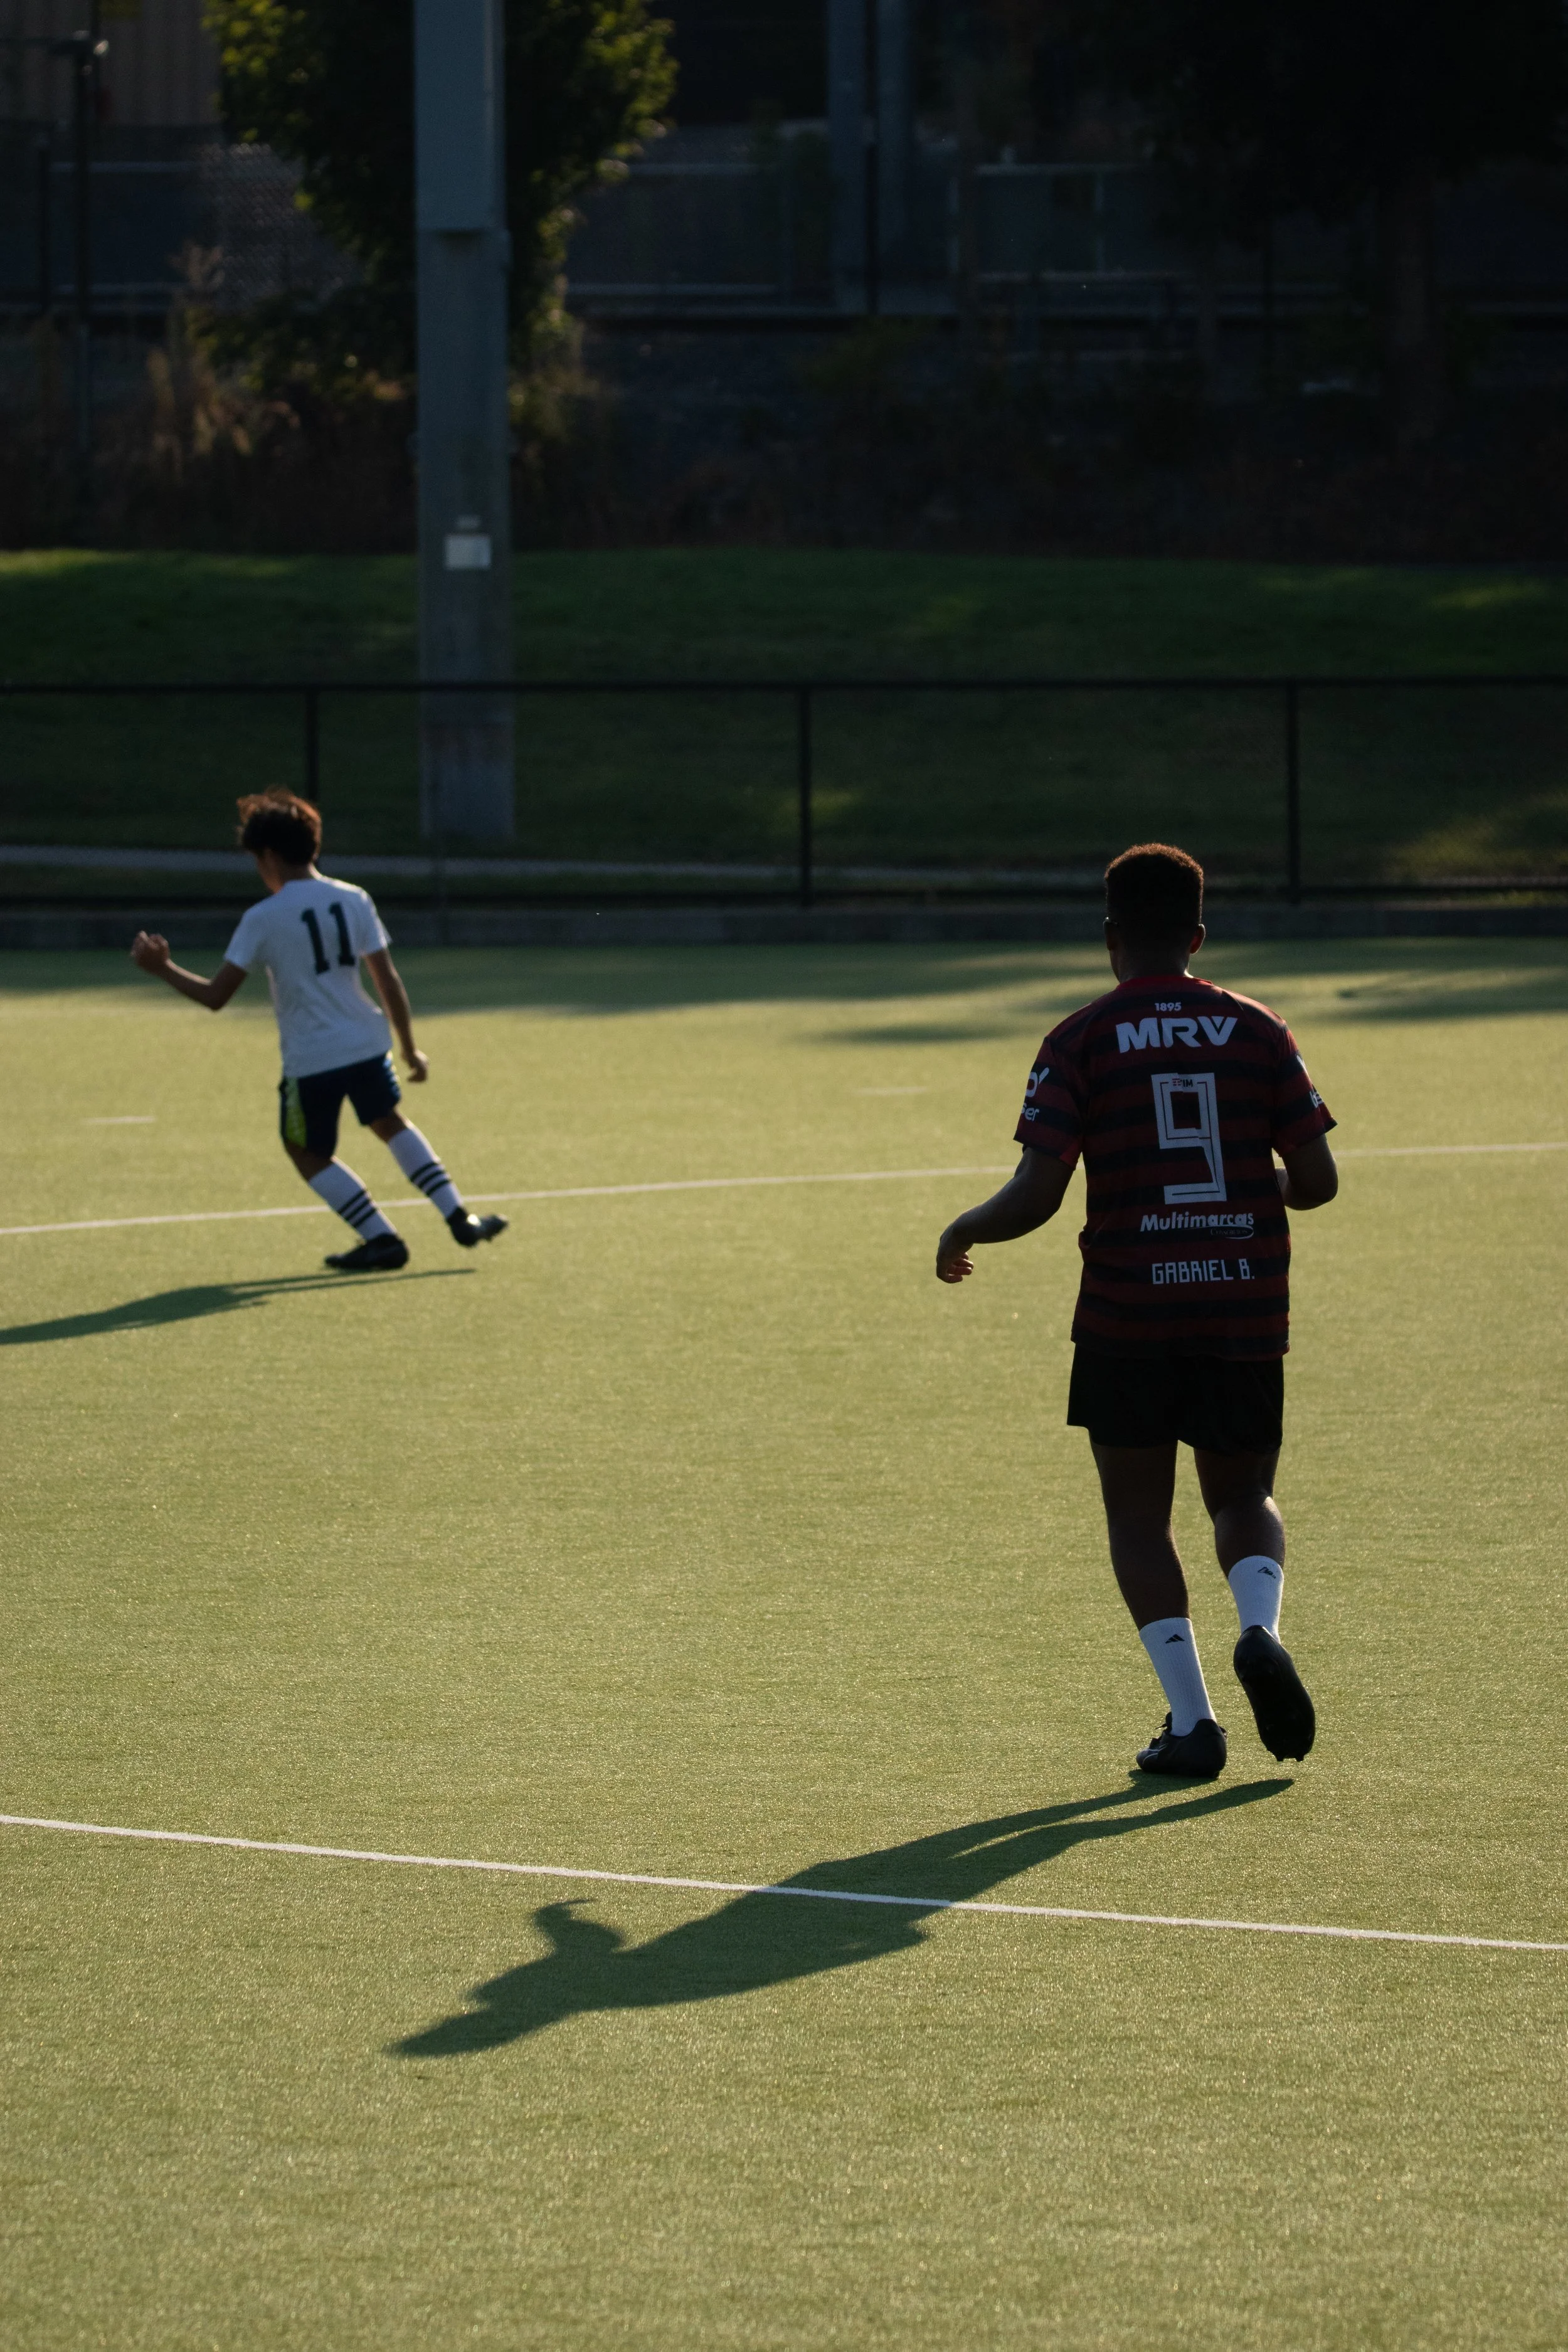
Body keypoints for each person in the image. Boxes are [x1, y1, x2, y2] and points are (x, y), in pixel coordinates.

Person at [935, 842, 1338, 1780]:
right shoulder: (1258, 1029)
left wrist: (966, 1227)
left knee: (1139, 1519)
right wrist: (1259, 1186)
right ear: (1198, 936)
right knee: (1243, 1496)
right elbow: (1317, 1182)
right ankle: (1260, 1628)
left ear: (1109, 936)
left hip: (1129, 1313)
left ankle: (1193, 1723)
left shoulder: (1079, 1039)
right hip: (1241, 1303)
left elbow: (1038, 1192)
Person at [129, 790, 508, 1276]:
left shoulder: (263, 917)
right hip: (367, 1044)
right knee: (389, 1123)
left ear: (268, 856)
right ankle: (460, 1217)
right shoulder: (353, 899)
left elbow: (216, 996)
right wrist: (410, 1048)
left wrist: (161, 969)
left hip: (312, 1059)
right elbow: (387, 980)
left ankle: (381, 1239)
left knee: (305, 1151)